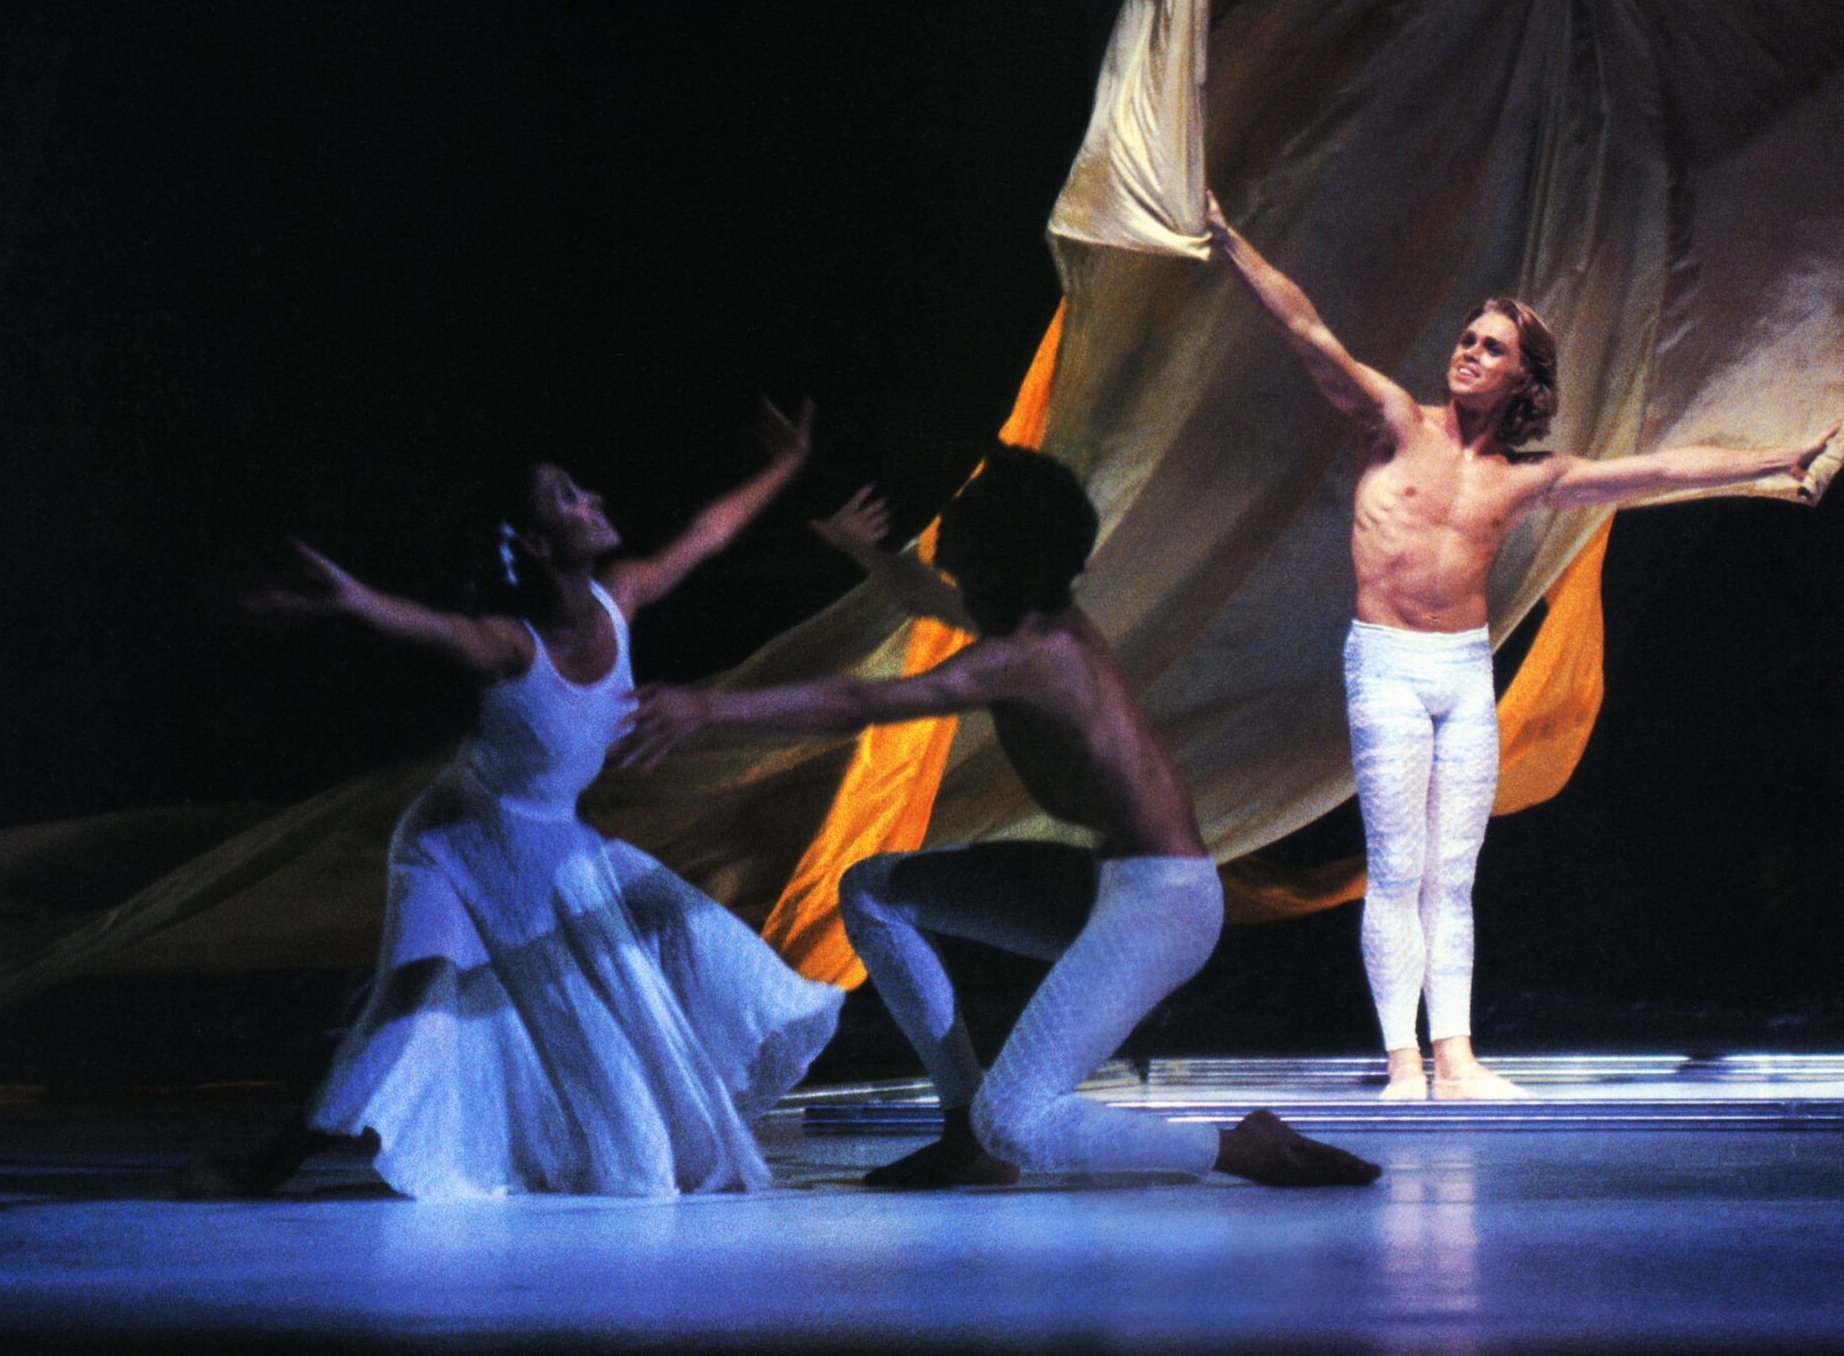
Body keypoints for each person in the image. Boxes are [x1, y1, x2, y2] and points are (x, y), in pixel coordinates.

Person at [1204, 193, 1834, 1100]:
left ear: (1523, 380)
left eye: (1492, 345)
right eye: (1468, 336)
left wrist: (1776, 462)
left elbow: (1656, 469)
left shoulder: (1527, 480)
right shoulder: (1393, 422)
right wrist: (1226, 238)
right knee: (1399, 867)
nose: (1468, 349)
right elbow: (1307, 331)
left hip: (1463, 675)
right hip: (1384, 665)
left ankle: (1456, 1056)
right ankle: (1403, 1062)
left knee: (1452, 877)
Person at [615, 450, 1381, 1189]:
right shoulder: (1027, 618)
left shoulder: (1034, 654)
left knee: (1014, 1119)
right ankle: (961, 1134)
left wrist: (708, 707)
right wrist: (865, 552)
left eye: (964, 557)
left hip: (1163, 907)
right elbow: (924, 594)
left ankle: (1238, 1145)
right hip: (1113, 885)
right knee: (876, 890)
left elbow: (863, 703)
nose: (954, 572)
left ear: (1000, 563)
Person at [175, 401, 841, 1199]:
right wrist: (352, 598)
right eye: (566, 496)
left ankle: (596, 1133)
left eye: (580, 487)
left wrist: (786, 464)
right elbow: (429, 627)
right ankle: (269, 1163)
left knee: (686, 935)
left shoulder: (620, 596)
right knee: (415, 1004)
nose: (591, 498)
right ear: (533, 542)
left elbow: (709, 533)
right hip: (459, 842)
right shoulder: (510, 644)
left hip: (554, 845)